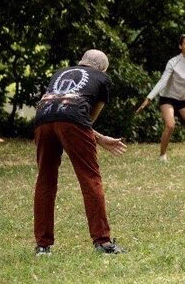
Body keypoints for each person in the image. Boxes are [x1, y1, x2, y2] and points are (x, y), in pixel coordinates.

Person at [33, 49, 127, 255]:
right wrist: (100, 139)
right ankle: (102, 242)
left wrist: (100, 139)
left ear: (81, 62)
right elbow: (86, 120)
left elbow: (60, 107)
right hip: (73, 121)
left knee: (45, 180)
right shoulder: (102, 78)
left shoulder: (60, 72)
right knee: (90, 178)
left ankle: (42, 245)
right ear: (103, 68)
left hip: (42, 119)